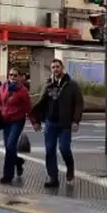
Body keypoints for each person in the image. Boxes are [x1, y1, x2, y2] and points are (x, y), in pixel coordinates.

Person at [30, 58, 84, 188]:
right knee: (49, 150)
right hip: (50, 123)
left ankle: (70, 167)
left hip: (65, 123)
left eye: (57, 67)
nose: (55, 69)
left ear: (62, 68)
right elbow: (41, 104)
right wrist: (36, 121)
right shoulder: (48, 85)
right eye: (53, 67)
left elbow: (78, 103)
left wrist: (76, 120)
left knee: (64, 148)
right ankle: (53, 178)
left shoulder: (72, 85)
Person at [0, 67, 32, 184]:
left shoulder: (23, 91)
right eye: (11, 75)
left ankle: (7, 176)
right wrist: (0, 110)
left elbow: (28, 107)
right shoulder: (3, 87)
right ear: (8, 76)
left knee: (10, 146)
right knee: (9, 148)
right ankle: (18, 161)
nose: (12, 77)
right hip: (5, 120)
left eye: (15, 75)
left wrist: (34, 121)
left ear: (19, 77)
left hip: (17, 120)